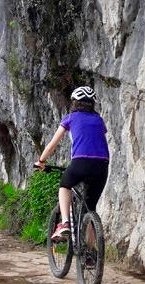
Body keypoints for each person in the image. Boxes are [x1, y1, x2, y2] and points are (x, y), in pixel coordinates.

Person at [35, 86, 109, 241]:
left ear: (74, 103)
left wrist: (41, 161)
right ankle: (90, 255)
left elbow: (52, 145)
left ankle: (65, 223)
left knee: (65, 185)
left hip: (80, 162)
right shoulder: (99, 120)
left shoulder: (70, 118)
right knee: (90, 208)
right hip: (102, 166)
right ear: (92, 104)